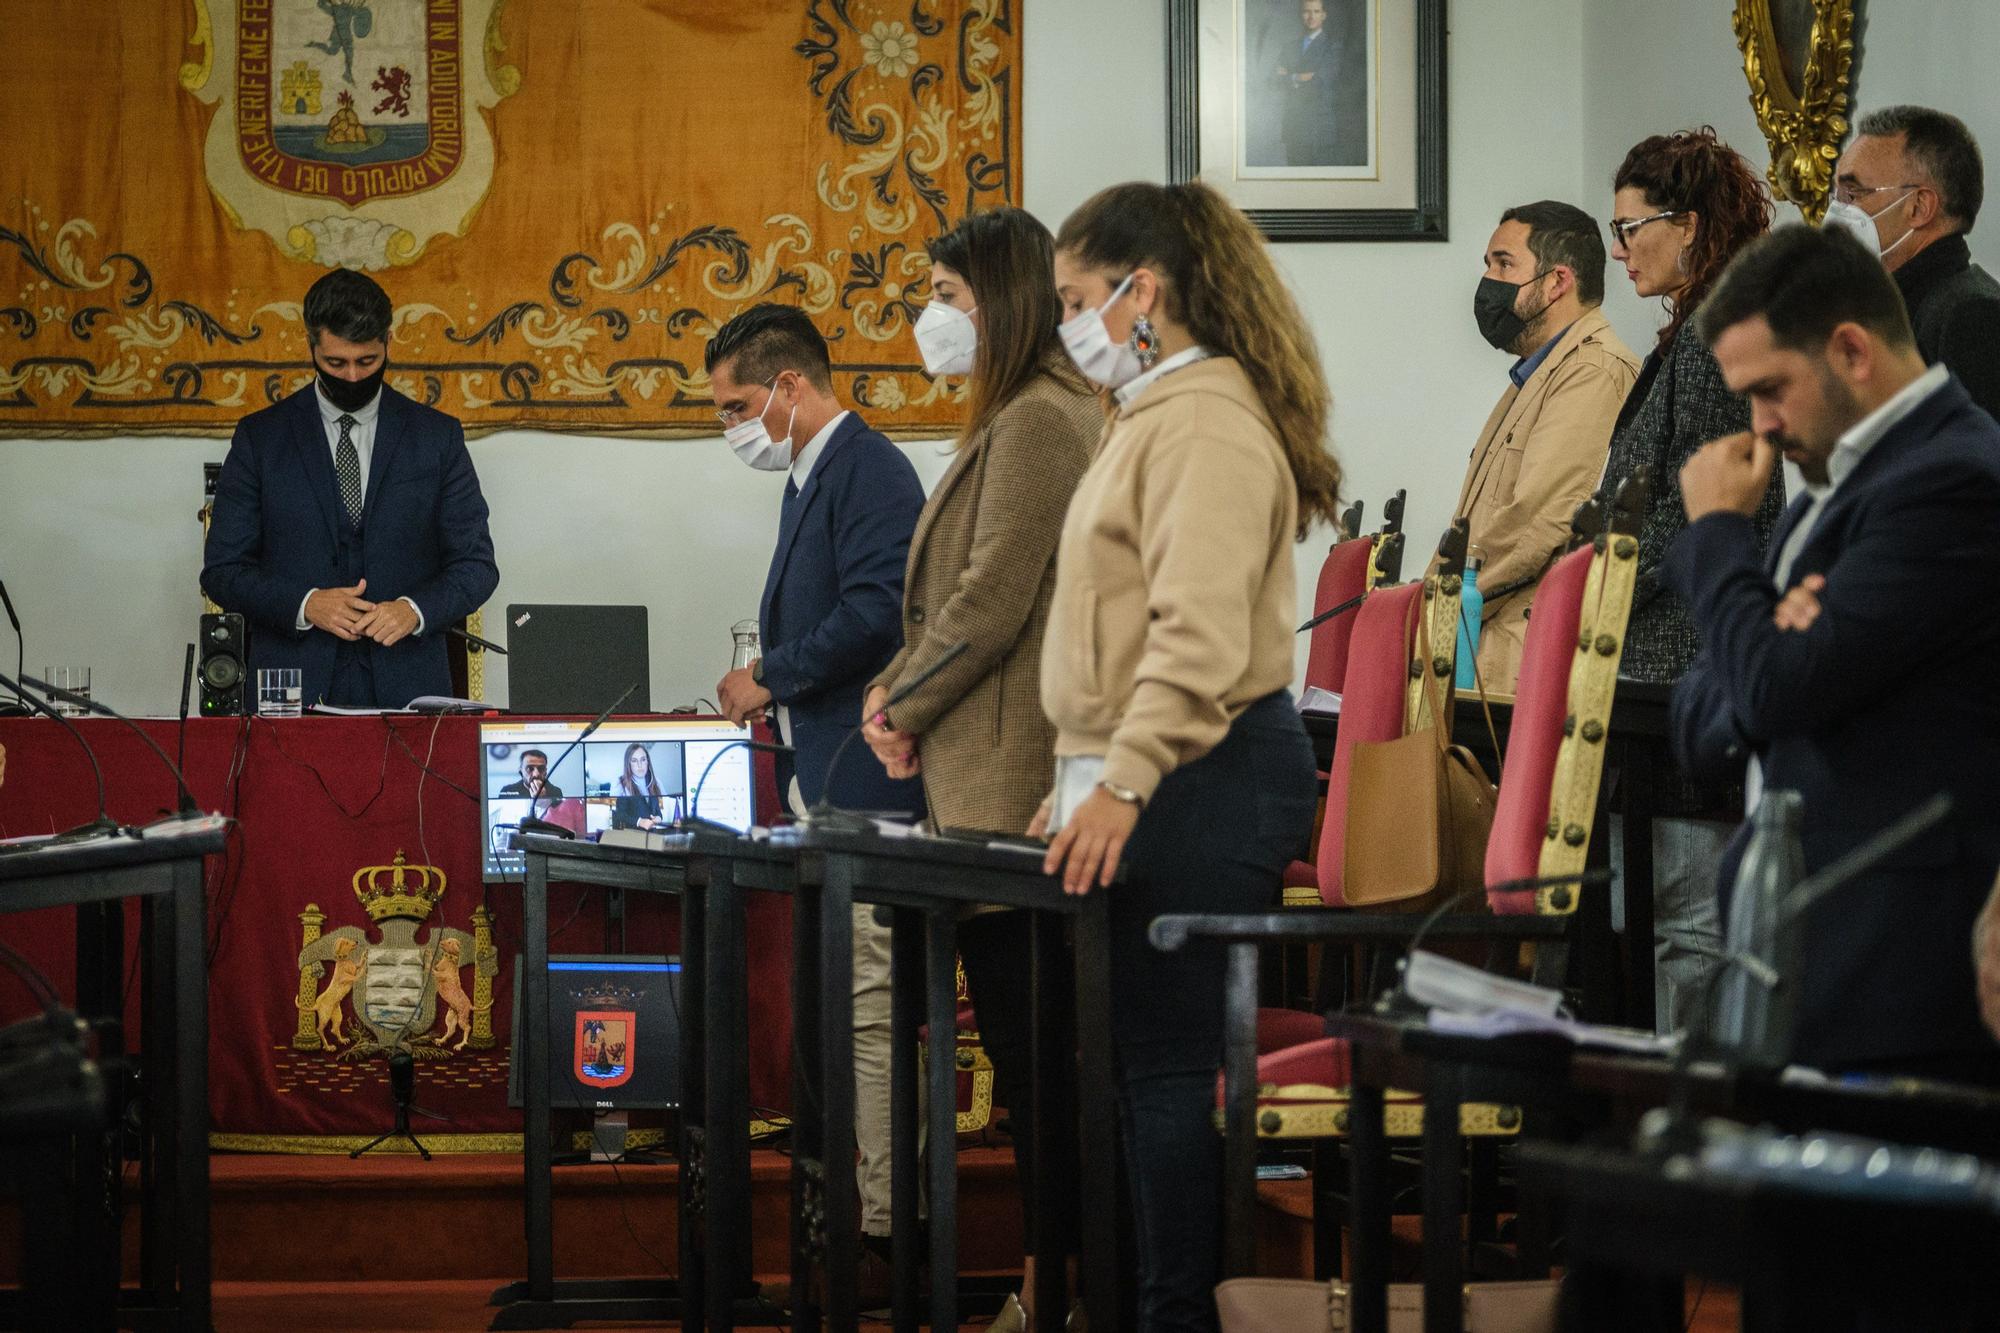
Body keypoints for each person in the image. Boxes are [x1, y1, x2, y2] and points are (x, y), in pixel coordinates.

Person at [1039, 179, 1338, 1330]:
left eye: (1077, 299)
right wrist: (1076, 779)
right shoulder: (1155, 413)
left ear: (1141, 292)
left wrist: (1119, 779)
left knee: (1167, 1077)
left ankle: (1179, 1317)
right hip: (1152, 769)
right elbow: (1109, 634)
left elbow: (1195, 635)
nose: (1069, 324)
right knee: (1129, 1072)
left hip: (1199, 771)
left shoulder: (1206, 421)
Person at [1671, 222, 2000, 1086]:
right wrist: (1771, 639)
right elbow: (1702, 720)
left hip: (1897, 967)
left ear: (1852, 349)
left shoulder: (1949, 478)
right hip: (1799, 945)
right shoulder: (1834, 491)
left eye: (1771, 389)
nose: (1761, 426)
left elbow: (1774, 689)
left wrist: (1716, 535)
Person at [858, 206, 1101, 1332]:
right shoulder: (1010, 413)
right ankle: (1048, 1285)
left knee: (1042, 1063)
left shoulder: (1045, 419)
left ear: (1000, 300)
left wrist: (901, 699)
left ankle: (1059, 1291)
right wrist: (895, 691)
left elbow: (992, 597)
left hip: (1015, 783)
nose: (934, 320)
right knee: (1023, 1051)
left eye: (950, 300)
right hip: (979, 778)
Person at [705, 302, 925, 1297]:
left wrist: (770, 676)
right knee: (839, 1005)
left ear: (790, 386)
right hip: (824, 774)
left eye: (737, 406)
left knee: (869, 1003)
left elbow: (877, 613)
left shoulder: (869, 470)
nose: (731, 428)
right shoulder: (808, 476)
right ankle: (849, 1204)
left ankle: (882, 1227)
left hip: (868, 776)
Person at [1601, 127, 1786, 1031]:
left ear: (1693, 225)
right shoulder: (1691, 334)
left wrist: (1594, 595)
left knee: (1688, 924)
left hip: (1680, 659)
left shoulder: (1718, 341)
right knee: (1659, 917)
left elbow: (1703, 508)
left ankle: (1696, 1130)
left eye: (1632, 227)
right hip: (1648, 661)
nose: (1621, 248)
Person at [202, 269, 498, 709]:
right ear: (311, 348)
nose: (355, 377)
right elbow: (222, 569)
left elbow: (476, 566)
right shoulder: (260, 439)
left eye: (368, 361)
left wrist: (412, 611)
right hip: (288, 689)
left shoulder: (437, 438)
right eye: (337, 363)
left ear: (388, 343)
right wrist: (306, 605)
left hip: (409, 687)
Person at [1455, 201, 1638, 690]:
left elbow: (1539, 517)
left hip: (1517, 659)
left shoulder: (1593, 371)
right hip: (1483, 638)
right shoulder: (1535, 372)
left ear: (1557, 282)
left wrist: (1440, 602)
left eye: (1503, 264)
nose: (1488, 280)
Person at [1830, 105, 2000, 423]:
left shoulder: (1969, 317)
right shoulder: (1892, 310)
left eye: (1853, 194)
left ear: (1919, 207)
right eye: (1837, 195)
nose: (1838, 212)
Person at [1271, 0, 1366, 168]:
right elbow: (1275, 81)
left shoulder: (1333, 47)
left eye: (1316, 11)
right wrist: (1301, 77)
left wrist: (1290, 77)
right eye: (1307, 12)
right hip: (1293, 129)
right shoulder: (1289, 47)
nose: (1311, 16)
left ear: (1324, 15)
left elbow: (1320, 81)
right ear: (1301, 15)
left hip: (1319, 130)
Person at [608, 742, 674, 830]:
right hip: (632, 837)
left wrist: (659, 818)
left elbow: (657, 810)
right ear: (629, 764)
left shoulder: (656, 782)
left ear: (648, 761)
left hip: (652, 835)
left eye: (643, 760)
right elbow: (618, 814)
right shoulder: (619, 783)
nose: (640, 765)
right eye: (634, 761)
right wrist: (639, 821)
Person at [497, 748, 562, 801]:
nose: (536, 774)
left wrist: (544, 800)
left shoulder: (556, 792)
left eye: (541, 768)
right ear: (521, 770)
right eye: (529, 768)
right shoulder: (507, 791)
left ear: (545, 771)